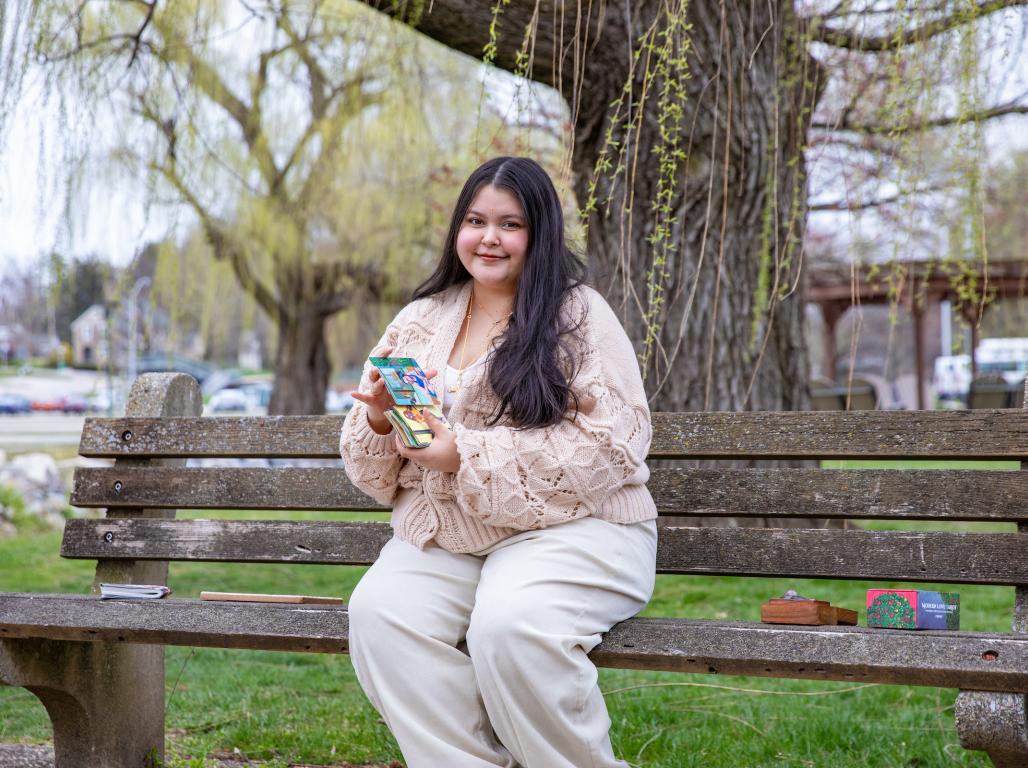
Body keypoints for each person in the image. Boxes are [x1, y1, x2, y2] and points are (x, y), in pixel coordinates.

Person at [339, 156, 658, 768]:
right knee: (381, 615)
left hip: (579, 528)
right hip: (452, 532)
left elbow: (611, 445)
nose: (488, 238)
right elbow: (372, 467)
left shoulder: (580, 315)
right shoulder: (420, 317)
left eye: (509, 224)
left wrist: (460, 451)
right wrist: (383, 418)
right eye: (475, 220)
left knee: (510, 627)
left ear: (539, 234)